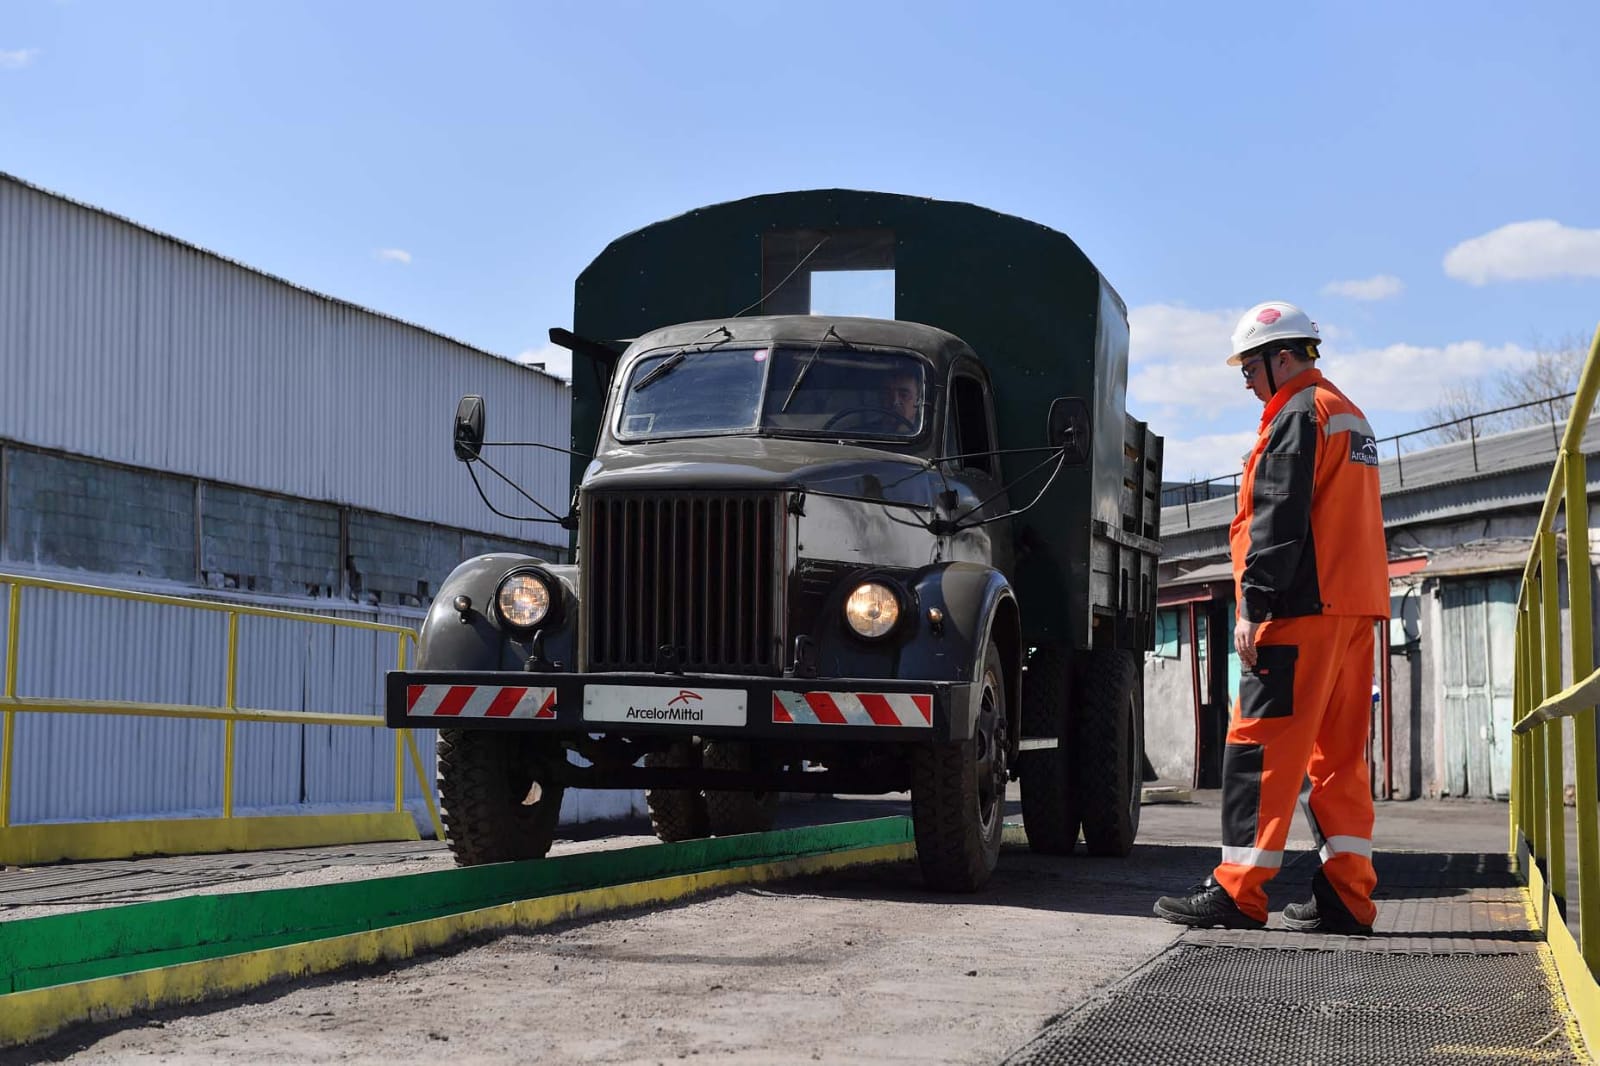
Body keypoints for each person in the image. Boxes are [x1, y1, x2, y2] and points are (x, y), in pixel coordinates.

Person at [1154, 301, 1389, 934]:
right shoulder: (1349, 414)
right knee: (1338, 759)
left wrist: (1253, 607)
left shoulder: (1295, 415)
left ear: (1282, 355)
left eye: (1251, 368)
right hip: (1354, 610)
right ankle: (1348, 896)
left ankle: (1238, 891)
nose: (1248, 382)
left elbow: (1276, 518)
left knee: (1256, 747)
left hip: (1297, 612)